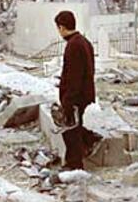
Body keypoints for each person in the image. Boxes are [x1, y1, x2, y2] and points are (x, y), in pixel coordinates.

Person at [55, 11, 101, 170]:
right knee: (76, 128)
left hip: (76, 96)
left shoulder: (73, 45)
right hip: (84, 94)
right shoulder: (84, 41)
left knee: (70, 131)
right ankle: (89, 140)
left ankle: (74, 164)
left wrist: (68, 100)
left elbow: (75, 75)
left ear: (61, 27)